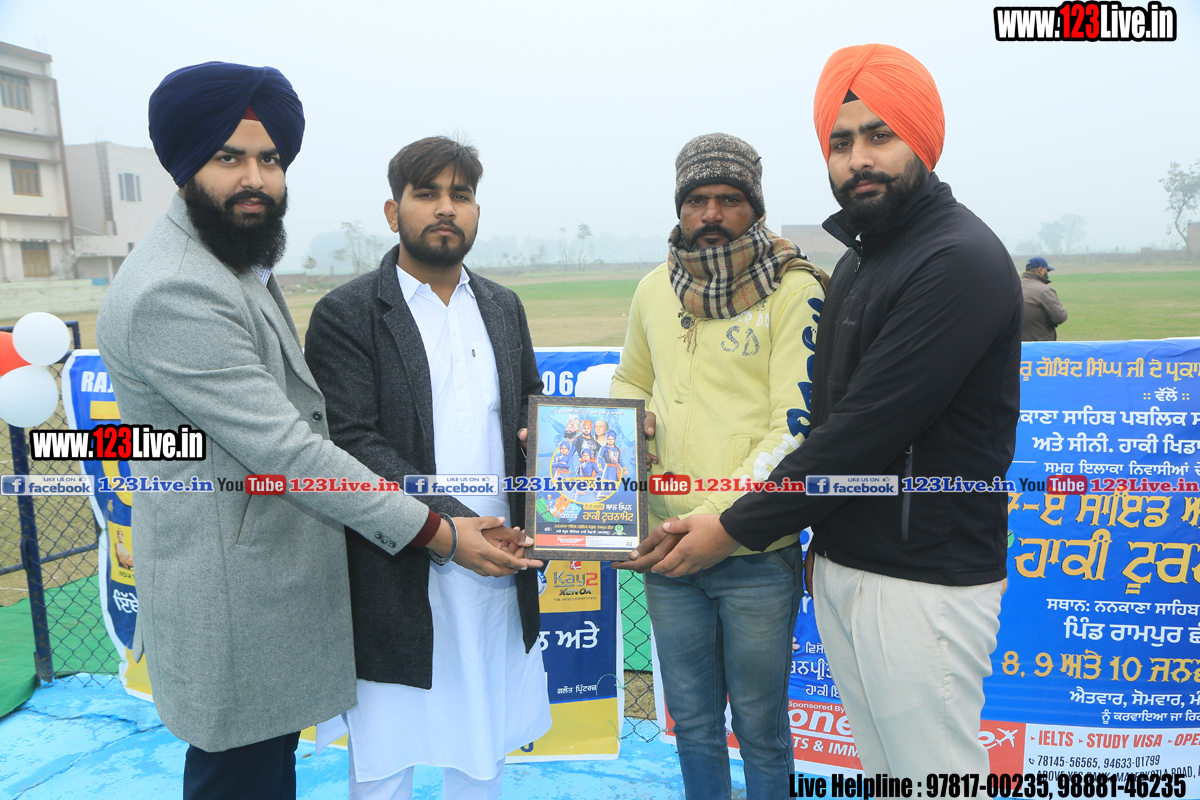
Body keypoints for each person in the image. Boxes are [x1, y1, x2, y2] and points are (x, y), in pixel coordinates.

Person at [96, 65, 531, 800]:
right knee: (244, 776)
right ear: (185, 163)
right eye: (229, 157)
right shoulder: (178, 287)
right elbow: (292, 450)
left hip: (274, 584)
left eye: (269, 159)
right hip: (235, 592)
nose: (254, 178)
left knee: (267, 771)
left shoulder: (232, 264)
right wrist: (441, 531)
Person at [628, 46, 1022, 779]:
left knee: (932, 777)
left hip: (921, 578)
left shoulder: (954, 260)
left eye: (880, 135)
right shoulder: (865, 260)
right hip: (846, 563)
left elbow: (861, 432)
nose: (858, 158)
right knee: (888, 773)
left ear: (922, 139)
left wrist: (732, 525)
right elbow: (830, 415)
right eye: (841, 143)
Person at [303, 135, 550, 800]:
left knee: (483, 751)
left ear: (476, 212)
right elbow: (352, 441)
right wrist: (457, 528)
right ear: (393, 212)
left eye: (460, 195)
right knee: (387, 759)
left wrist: (570, 449)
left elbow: (531, 413)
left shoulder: (503, 306)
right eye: (427, 193)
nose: (446, 208)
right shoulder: (348, 313)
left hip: (497, 566)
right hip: (400, 567)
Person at [613, 132, 827, 800]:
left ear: (754, 207)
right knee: (694, 725)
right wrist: (623, 427)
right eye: (697, 200)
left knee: (760, 728)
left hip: (754, 549)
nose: (711, 213)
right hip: (666, 553)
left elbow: (795, 428)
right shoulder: (655, 289)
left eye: (729, 199)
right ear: (679, 208)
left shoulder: (794, 290)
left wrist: (717, 521)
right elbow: (631, 380)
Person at [1021, 256, 1068, 341]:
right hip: (1039, 345)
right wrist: (1063, 310)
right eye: (1047, 270)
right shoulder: (1044, 291)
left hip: (1016, 345)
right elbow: (1060, 317)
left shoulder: (1013, 287)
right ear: (1041, 270)